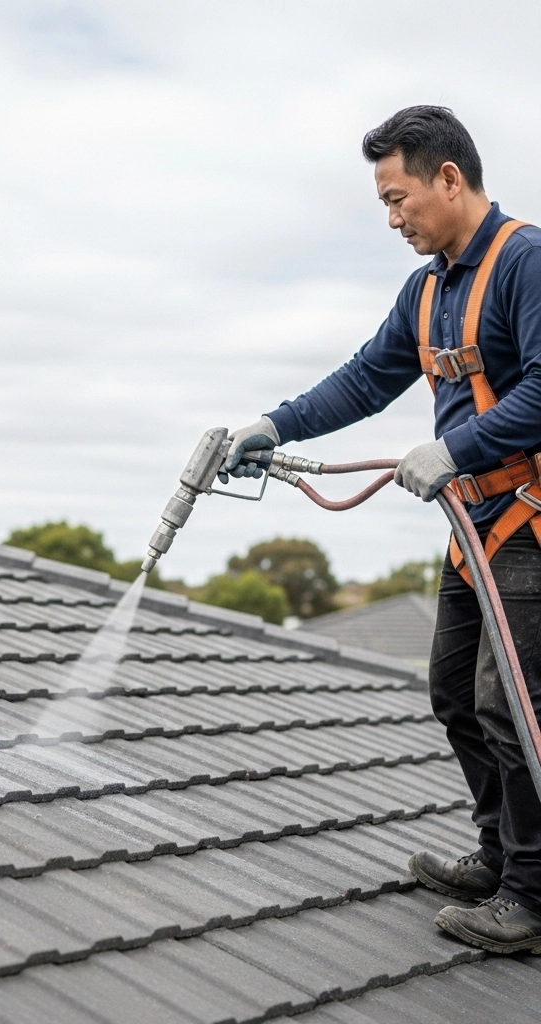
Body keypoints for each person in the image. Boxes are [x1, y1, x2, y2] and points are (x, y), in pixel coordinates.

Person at [226, 105, 541, 955]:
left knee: (512, 705)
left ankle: (533, 896)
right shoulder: (429, 291)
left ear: (450, 178)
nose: (393, 218)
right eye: (384, 204)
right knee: (454, 693)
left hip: (528, 522)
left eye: (398, 198)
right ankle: (501, 857)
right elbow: (366, 379)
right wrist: (275, 425)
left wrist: (455, 447)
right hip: (472, 524)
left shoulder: (526, 263)